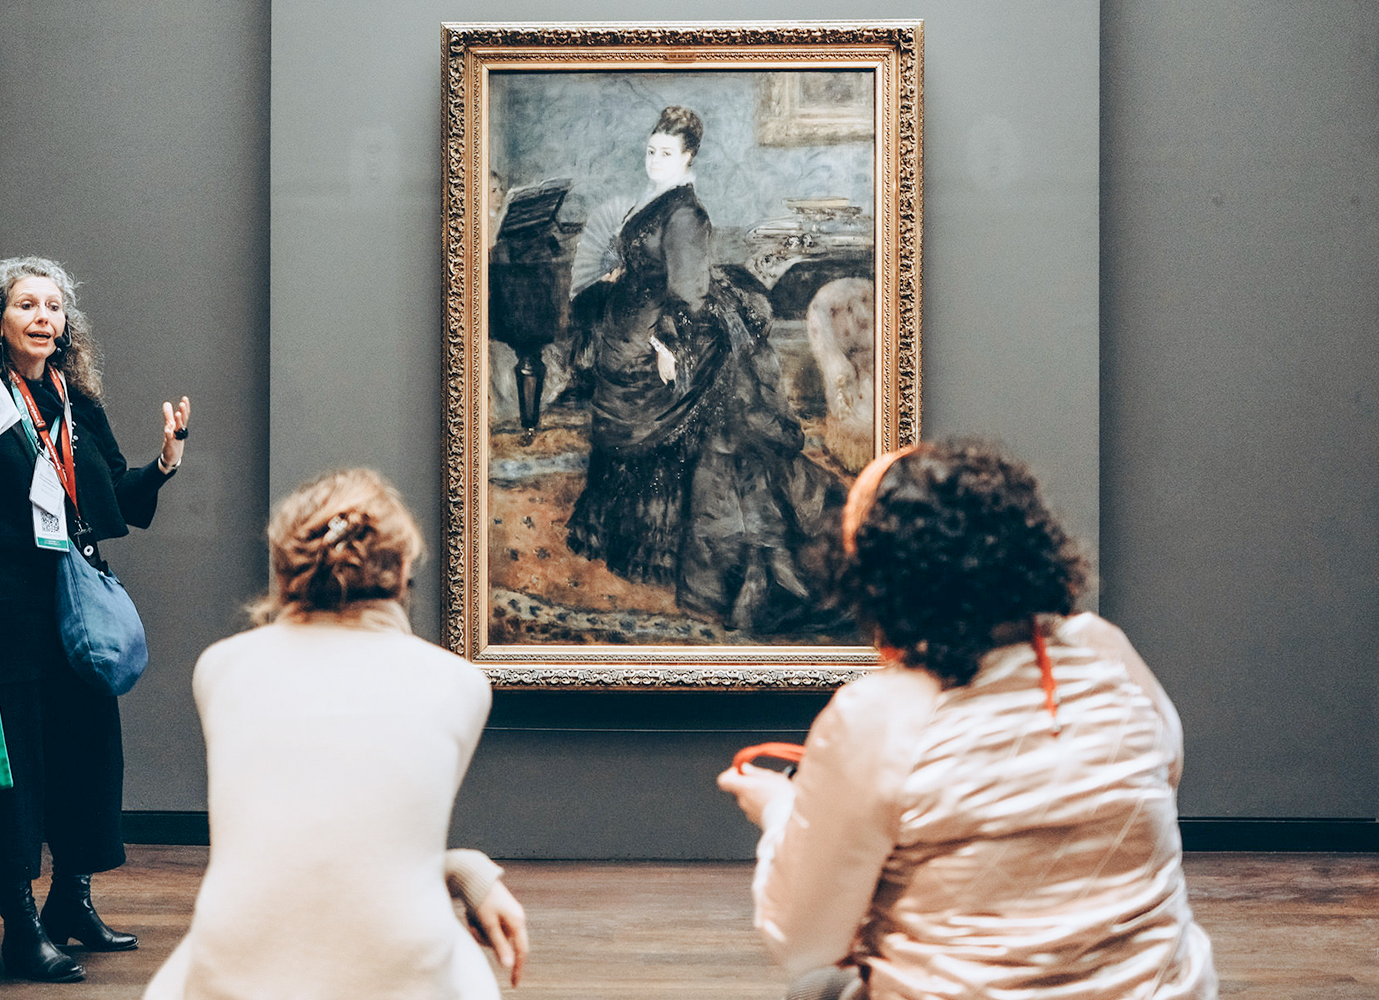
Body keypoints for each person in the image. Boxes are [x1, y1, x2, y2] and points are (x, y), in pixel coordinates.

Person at [718, 440, 1217, 1000]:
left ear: (876, 574)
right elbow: (1163, 774)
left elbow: (803, 942)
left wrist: (782, 811)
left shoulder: (875, 716)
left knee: (814, 987)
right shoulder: (1105, 651)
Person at [0, 256, 189, 983]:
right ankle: (19, 925)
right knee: (16, 768)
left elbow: (113, 499)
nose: (43, 317)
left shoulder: (78, 402)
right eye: (27, 304)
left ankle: (71, 901)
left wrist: (161, 465)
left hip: (74, 605)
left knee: (86, 755)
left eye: (55, 307)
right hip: (7, 608)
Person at [144, 468, 529, 999]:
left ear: (283, 574)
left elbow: (329, 858)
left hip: (235, 980)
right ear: (401, 575)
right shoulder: (460, 684)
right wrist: (468, 872)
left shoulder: (221, 669)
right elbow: (374, 862)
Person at [565, 105, 844, 634]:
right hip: (628, 328)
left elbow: (689, 293)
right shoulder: (656, 202)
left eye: (665, 153)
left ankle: (677, 556)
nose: (654, 161)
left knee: (692, 445)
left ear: (688, 157)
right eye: (650, 151)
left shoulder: (686, 215)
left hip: (657, 335)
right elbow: (648, 265)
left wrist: (668, 348)